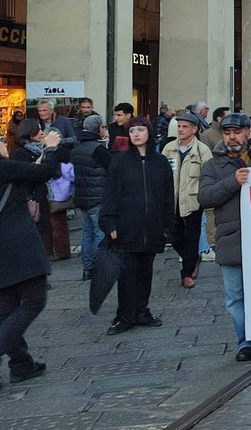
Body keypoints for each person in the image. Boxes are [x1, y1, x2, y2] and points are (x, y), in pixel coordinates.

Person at [0, 127, 62, 391]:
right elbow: (48, 172)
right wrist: (51, 147)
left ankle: (22, 365)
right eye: (0, 141)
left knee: (8, 308)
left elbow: (27, 177)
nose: (6, 145)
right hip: (19, 243)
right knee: (33, 302)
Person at [198, 113, 251, 361]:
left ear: (249, 132)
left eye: (236, 132)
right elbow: (205, 197)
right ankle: (245, 341)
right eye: (227, 132)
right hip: (231, 236)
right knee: (235, 295)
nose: (232, 137)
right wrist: (234, 182)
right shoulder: (213, 165)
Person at [101, 117, 174, 335]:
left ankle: (142, 310)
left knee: (145, 271)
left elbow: (167, 196)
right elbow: (111, 194)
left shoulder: (160, 162)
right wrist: (109, 222)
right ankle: (125, 315)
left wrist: (167, 225)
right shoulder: (120, 162)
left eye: (140, 130)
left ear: (148, 133)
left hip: (152, 227)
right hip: (127, 226)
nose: (136, 134)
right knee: (126, 274)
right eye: (132, 130)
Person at [161, 113, 212, 289]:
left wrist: (204, 195)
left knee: (191, 237)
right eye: (179, 126)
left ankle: (187, 274)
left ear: (194, 129)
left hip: (193, 200)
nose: (181, 130)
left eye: (185, 127)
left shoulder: (202, 150)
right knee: (173, 236)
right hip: (172, 199)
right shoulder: (169, 148)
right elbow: (162, 175)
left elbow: (208, 176)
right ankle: (193, 258)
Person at [14, 119, 70, 260]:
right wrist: (45, 154)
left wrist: (54, 147)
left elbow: (65, 158)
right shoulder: (22, 152)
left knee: (52, 224)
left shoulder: (46, 147)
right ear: (28, 132)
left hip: (49, 192)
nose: (41, 133)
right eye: (37, 130)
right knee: (39, 226)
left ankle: (51, 253)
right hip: (34, 195)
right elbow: (32, 173)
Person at [72, 114, 112, 280]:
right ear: (99, 129)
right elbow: (112, 166)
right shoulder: (98, 149)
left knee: (87, 234)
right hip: (98, 196)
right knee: (99, 233)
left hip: (82, 197)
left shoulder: (77, 147)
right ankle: (98, 267)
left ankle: (87, 268)